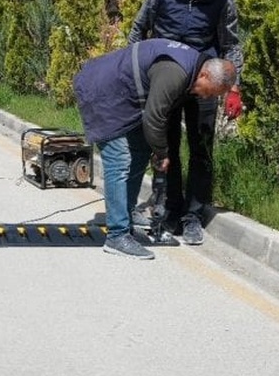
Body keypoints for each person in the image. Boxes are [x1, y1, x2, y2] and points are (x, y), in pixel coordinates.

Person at [127, 0, 244, 246]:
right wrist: (137, 74)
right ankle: (169, 209)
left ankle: (193, 215)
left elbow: (231, 45)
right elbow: (138, 30)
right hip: (165, 81)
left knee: (201, 148)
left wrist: (234, 88)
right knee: (167, 146)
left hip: (203, 83)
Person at [74, 38, 237, 260]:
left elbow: (157, 117)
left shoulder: (193, 68)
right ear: (205, 75)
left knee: (140, 149)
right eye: (210, 91)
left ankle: (126, 218)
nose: (207, 96)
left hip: (125, 98)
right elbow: (154, 118)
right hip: (103, 92)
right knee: (119, 160)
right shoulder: (176, 72)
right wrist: (162, 152)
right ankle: (117, 235)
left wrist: (157, 149)